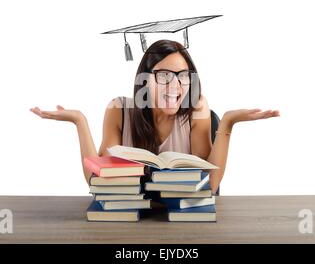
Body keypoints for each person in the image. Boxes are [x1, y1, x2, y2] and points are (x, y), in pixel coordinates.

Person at [30, 40, 280, 194]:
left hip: (181, 223)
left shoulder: (196, 110)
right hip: (131, 222)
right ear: (145, 79)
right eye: (164, 76)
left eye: (183, 75)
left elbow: (209, 185)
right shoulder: (119, 111)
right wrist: (79, 121)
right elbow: (98, 182)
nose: (175, 86)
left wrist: (227, 123)